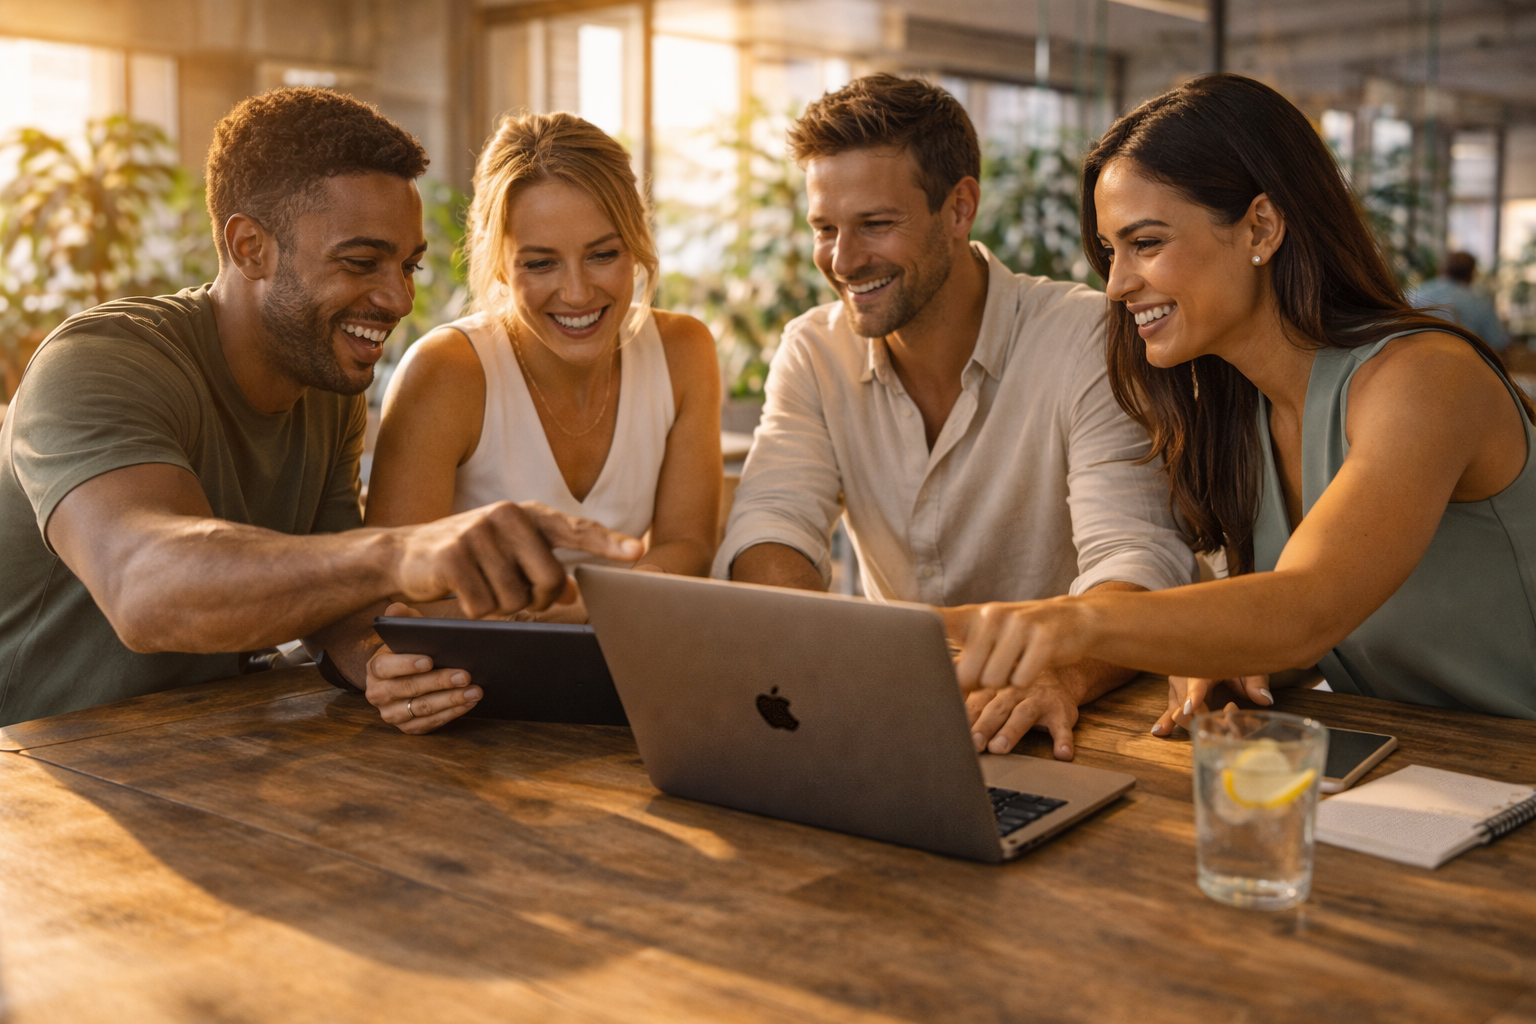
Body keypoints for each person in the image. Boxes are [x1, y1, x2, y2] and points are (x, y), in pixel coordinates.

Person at [0, 88, 640, 728]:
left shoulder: (326, 389)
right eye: (361, 262)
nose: (397, 299)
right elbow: (144, 588)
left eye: (408, 265)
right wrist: (401, 552)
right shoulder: (99, 363)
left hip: (194, 752)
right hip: (38, 771)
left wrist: (379, 661)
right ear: (251, 247)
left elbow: (338, 602)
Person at [945, 74, 1536, 727]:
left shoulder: (1424, 379)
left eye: (1145, 243)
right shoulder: (1238, 414)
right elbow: (1336, 628)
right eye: (1110, 252)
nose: (1115, 284)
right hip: (1435, 776)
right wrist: (1236, 652)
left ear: (1260, 227)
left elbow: (1307, 611)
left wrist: (1069, 622)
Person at [716, 74, 1197, 761]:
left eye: (876, 225)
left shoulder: (1086, 337)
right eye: (825, 229)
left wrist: (1059, 674)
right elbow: (772, 526)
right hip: (897, 719)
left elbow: (1137, 559)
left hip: (1069, 727)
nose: (844, 261)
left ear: (959, 208)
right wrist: (815, 653)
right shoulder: (813, 350)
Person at [354, 112, 720, 733]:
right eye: (540, 264)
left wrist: (583, 610)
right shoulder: (447, 372)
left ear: (636, 245)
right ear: (499, 262)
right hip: (473, 704)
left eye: (603, 254)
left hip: (622, 690)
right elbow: (391, 593)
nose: (577, 293)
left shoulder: (685, 351)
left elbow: (688, 543)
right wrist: (565, 614)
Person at [1410, 251, 1509, 351]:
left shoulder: (1415, 293)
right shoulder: (1480, 303)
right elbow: (1498, 343)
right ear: (1472, 274)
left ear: (1443, 270)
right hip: (1462, 361)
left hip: (1414, 357)